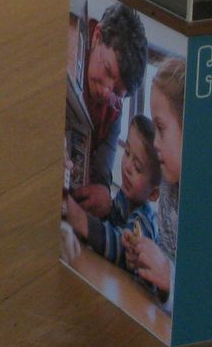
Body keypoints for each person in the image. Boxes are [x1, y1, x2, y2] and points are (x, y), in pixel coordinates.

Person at [63, 1, 148, 218]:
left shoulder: (113, 109)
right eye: (108, 70)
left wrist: (102, 189)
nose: (105, 91)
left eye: (117, 92)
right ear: (97, 37)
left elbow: (103, 168)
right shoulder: (68, 43)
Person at [65, 115, 160, 276]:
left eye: (137, 167)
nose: (128, 166)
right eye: (127, 153)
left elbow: (124, 250)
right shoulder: (123, 199)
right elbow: (110, 223)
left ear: (153, 193)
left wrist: (83, 221)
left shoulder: (145, 222)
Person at [124, 57, 184, 304]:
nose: (155, 142)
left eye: (161, 128)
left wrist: (168, 277)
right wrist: (147, 263)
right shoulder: (169, 188)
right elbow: (168, 265)